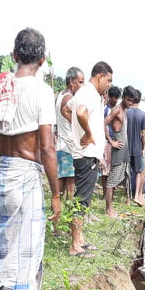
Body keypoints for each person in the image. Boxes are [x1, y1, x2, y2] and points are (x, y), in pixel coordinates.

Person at [0, 28, 60, 290]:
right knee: (25, 254)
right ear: (42, 60)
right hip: (26, 176)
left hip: (2, 173)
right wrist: (56, 193)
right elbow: (46, 149)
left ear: (14, 55)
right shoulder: (42, 92)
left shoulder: (0, 89)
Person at [66, 61, 113, 257]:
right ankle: (74, 245)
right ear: (100, 76)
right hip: (85, 155)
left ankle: (81, 239)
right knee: (82, 200)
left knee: (83, 198)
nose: (109, 84)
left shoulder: (83, 93)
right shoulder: (91, 94)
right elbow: (79, 112)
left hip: (85, 154)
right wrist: (86, 133)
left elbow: (67, 110)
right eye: (108, 80)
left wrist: (77, 130)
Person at [104, 86, 135, 217]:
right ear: (123, 98)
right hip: (118, 149)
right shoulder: (116, 110)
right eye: (128, 100)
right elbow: (103, 123)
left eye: (132, 101)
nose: (130, 103)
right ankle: (108, 209)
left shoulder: (125, 110)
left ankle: (113, 206)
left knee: (122, 177)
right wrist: (111, 142)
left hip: (125, 150)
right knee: (111, 180)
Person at [54, 67, 84, 198]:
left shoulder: (60, 95)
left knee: (63, 176)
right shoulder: (69, 99)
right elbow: (75, 123)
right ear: (72, 81)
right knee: (70, 179)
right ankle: (68, 207)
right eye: (80, 82)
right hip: (68, 144)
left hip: (62, 142)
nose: (82, 86)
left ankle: (59, 204)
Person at [126, 88, 145, 206]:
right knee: (139, 172)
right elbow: (144, 135)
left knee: (127, 172)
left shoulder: (126, 112)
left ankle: (127, 198)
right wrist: (143, 146)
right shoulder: (142, 115)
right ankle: (137, 196)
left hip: (126, 147)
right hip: (137, 148)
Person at [100, 86, 120, 196]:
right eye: (114, 98)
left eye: (117, 98)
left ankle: (111, 193)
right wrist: (110, 140)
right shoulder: (105, 110)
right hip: (107, 142)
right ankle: (105, 193)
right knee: (105, 170)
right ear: (109, 97)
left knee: (114, 169)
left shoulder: (117, 109)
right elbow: (103, 125)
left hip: (116, 142)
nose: (116, 100)